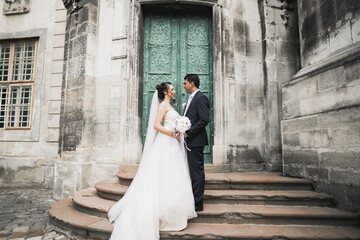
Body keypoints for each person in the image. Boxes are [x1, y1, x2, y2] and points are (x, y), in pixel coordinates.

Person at [108, 82, 196, 240]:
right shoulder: (163, 105)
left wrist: (180, 129)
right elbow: (156, 125)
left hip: (173, 142)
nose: (174, 91)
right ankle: (161, 213)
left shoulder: (169, 105)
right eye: (172, 89)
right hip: (166, 142)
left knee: (173, 175)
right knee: (163, 173)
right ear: (165, 92)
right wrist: (172, 134)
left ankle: (173, 212)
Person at [183, 74, 210, 212]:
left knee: (197, 173)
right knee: (192, 172)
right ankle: (192, 199)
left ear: (192, 83)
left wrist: (189, 132)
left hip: (196, 141)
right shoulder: (191, 98)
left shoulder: (201, 98)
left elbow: (204, 119)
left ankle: (198, 204)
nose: (184, 86)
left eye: (185, 83)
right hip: (190, 141)